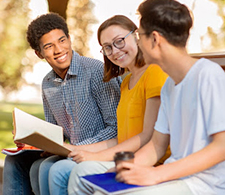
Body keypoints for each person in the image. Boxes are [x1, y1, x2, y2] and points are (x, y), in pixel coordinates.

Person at [84, 0, 225, 195]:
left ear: (155, 39)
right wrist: (125, 169)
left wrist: (157, 175)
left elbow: (222, 146)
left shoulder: (209, 75)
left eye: (140, 35)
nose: (138, 42)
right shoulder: (169, 86)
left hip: (203, 185)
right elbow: (157, 145)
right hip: (175, 178)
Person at [2, 12, 121, 195]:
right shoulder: (47, 84)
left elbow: (116, 127)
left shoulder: (96, 71)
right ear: (38, 53)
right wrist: (29, 138)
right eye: (49, 46)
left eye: (62, 40)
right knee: (16, 162)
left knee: (45, 168)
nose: (59, 50)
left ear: (69, 39)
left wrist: (76, 148)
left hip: (98, 151)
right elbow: (56, 133)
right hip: (68, 151)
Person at [66, 15, 170, 195]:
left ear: (136, 36)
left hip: (150, 162)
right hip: (125, 156)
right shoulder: (126, 82)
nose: (114, 51)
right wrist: (77, 149)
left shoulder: (154, 72)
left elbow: (147, 136)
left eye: (119, 41)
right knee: (59, 166)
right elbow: (122, 138)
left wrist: (95, 157)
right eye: (107, 47)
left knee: (76, 171)